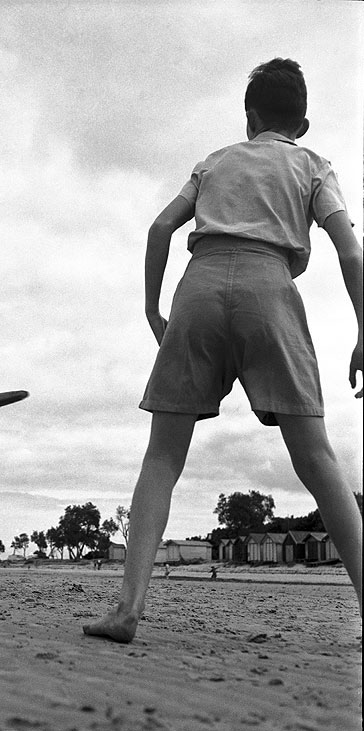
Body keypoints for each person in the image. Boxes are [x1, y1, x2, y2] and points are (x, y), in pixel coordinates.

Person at [84, 58, 363, 643]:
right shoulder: (312, 164)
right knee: (316, 460)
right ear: (302, 123)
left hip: (201, 286)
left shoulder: (215, 162)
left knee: (162, 457)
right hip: (271, 289)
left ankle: (127, 609)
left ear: (249, 117)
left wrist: (151, 310)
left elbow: (161, 229)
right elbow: (351, 253)